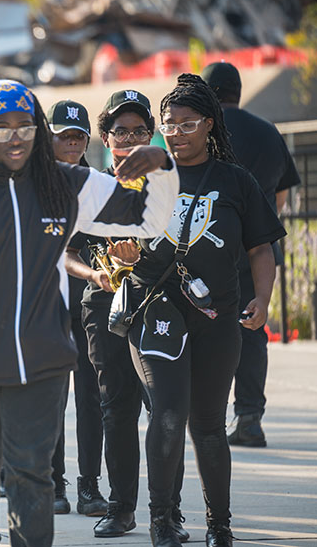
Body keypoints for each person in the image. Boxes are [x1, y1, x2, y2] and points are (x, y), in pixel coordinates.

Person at [0, 79, 179, 547]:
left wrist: (163, 166)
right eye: (0, 127)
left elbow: (148, 218)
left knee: (31, 478)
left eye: (25, 126)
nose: (15, 137)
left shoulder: (64, 184)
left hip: (41, 362)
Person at [127, 73, 284, 547]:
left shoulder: (236, 180)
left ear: (210, 125)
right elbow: (113, 234)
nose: (175, 132)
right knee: (168, 414)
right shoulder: (146, 179)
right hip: (156, 311)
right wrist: (121, 254)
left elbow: (260, 247)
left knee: (209, 426)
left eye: (187, 123)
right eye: (168, 123)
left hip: (217, 315)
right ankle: (162, 521)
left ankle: (219, 525)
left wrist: (263, 297)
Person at [64, 90, 187, 540]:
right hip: (104, 305)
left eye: (140, 130)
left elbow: (185, 250)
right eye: (121, 131)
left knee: (164, 409)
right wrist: (96, 276)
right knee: (116, 408)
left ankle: (167, 511)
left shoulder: (169, 186)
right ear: (105, 137)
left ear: (151, 132)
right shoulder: (92, 187)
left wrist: (144, 258)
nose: (131, 139)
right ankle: (120, 508)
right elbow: (68, 252)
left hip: (158, 304)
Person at [201, 62, 301, 448]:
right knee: (253, 330)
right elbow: (281, 195)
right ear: (238, 92)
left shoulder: (203, 132)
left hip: (211, 247)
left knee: (206, 328)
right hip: (259, 249)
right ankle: (249, 418)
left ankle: (205, 415)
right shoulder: (267, 131)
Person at [46, 99, 107, 518]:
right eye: (63, 136)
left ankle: (89, 486)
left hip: (90, 304)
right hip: (46, 304)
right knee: (50, 398)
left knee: (91, 397)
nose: (71, 143)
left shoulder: (99, 183)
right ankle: (53, 482)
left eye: (77, 137)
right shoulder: (32, 185)